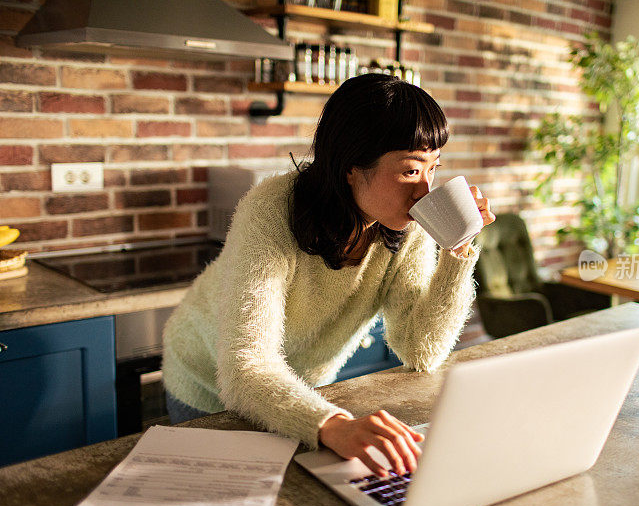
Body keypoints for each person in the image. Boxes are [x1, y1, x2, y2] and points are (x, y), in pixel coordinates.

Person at [162, 73, 495, 478]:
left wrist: (457, 250)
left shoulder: (407, 226)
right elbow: (245, 369)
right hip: (207, 385)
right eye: (410, 171)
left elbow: (420, 349)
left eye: (434, 170)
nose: (426, 190)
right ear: (352, 167)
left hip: (302, 395)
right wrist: (330, 424)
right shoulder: (270, 211)